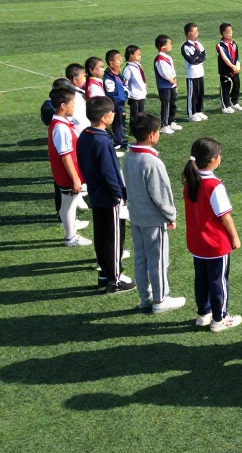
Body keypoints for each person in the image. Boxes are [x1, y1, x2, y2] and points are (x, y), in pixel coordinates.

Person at [123, 112, 186, 313]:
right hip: (152, 218)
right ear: (152, 135)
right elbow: (161, 194)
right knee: (158, 259)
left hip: (136, 215)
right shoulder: (152, 162)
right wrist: (171, 215)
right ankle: (160, 299)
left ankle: (145, 297)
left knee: (141, 258)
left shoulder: (129, 156)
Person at [184, 137, 242, 332]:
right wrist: (234, 237)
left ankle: (203, 314)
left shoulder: (190, 180)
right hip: (215, 244)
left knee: (201, 279)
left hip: (197, 243)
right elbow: (224, 216)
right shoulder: (214, 185)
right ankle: (220, 318)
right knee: (219, 281)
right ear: (212, 160)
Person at [77, 96, 133, 293]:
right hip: (109, 197)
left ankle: (104, 273)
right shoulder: (102, 140)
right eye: (112, 113)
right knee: (114, 238)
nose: (114, 115)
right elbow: (110, 172)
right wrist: (119, 195)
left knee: (101, 235)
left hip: (95, 193)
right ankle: (115, 279)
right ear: (104, 117)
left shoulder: (84, 135)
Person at [46, 86, 90, 247]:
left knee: (67, 205)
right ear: (63, 105)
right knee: (69, 206)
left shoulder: (60, 123)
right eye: (72, 103)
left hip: (65, 174)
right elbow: (65, 156)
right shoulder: (61, 127)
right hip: (67, 175)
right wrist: (76, 179)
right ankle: (70, 237)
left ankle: (70, 233)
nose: (74, 106)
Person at [154, 35, 181, 133]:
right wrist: (170, 79)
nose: (171, 45)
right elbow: (163, 72)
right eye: (169, 43)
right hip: (164, 86)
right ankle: (165, 125)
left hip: (171, 84)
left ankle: (171, 121)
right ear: (162, 46)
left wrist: (174, 79)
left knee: (172, 103)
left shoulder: (168, 57)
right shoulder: (159, 59)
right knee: (166, 104)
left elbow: (172, 70)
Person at [181, 22, 208, 122]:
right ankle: (191, 113)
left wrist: (197, 57)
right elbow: (191, 60)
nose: (196, 33)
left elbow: (203, 56)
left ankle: (199, 110)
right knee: (192, 94)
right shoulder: (185, 46)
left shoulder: (199, 44)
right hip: (191, 74)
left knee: (200, 92)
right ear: (188, 33)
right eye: (194, 31)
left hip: (200, 72)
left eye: (197, 30)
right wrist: (197, 56)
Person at [103, 49, 129, 152]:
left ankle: (121, 140)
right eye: (118, 59)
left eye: (121, 58)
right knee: (118, 122)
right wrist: (122, 98)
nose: (121, 60)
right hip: (115, 104)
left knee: (121, 122)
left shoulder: (118, 74)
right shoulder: (109, 77)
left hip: (121, 103)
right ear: (111, 62)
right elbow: (111, 93)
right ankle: (118, 142)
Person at [216, 22, 242, 113]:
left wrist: (238, 65)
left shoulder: (233, 43)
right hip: (226, 70)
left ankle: (234, 102)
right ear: (223, 33)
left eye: (231, 31)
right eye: (229, 31)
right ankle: (225, 105)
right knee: (226, 87)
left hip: (235, 69)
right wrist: (232, 66)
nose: (231, 33)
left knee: (236, 85)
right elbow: (225, 58)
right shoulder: (220, 45)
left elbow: (237, 56)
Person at [123, 45, 149, 120]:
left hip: (141, 94)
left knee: (141, 113)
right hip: (134, 96)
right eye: (138, 54)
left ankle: (140, 127)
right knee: (135, 114)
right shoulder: (128, 68)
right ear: (131, 55)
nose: (140, 56)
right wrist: (127, 94)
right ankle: (134, 129)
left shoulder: (138, 66)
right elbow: (125, 82)